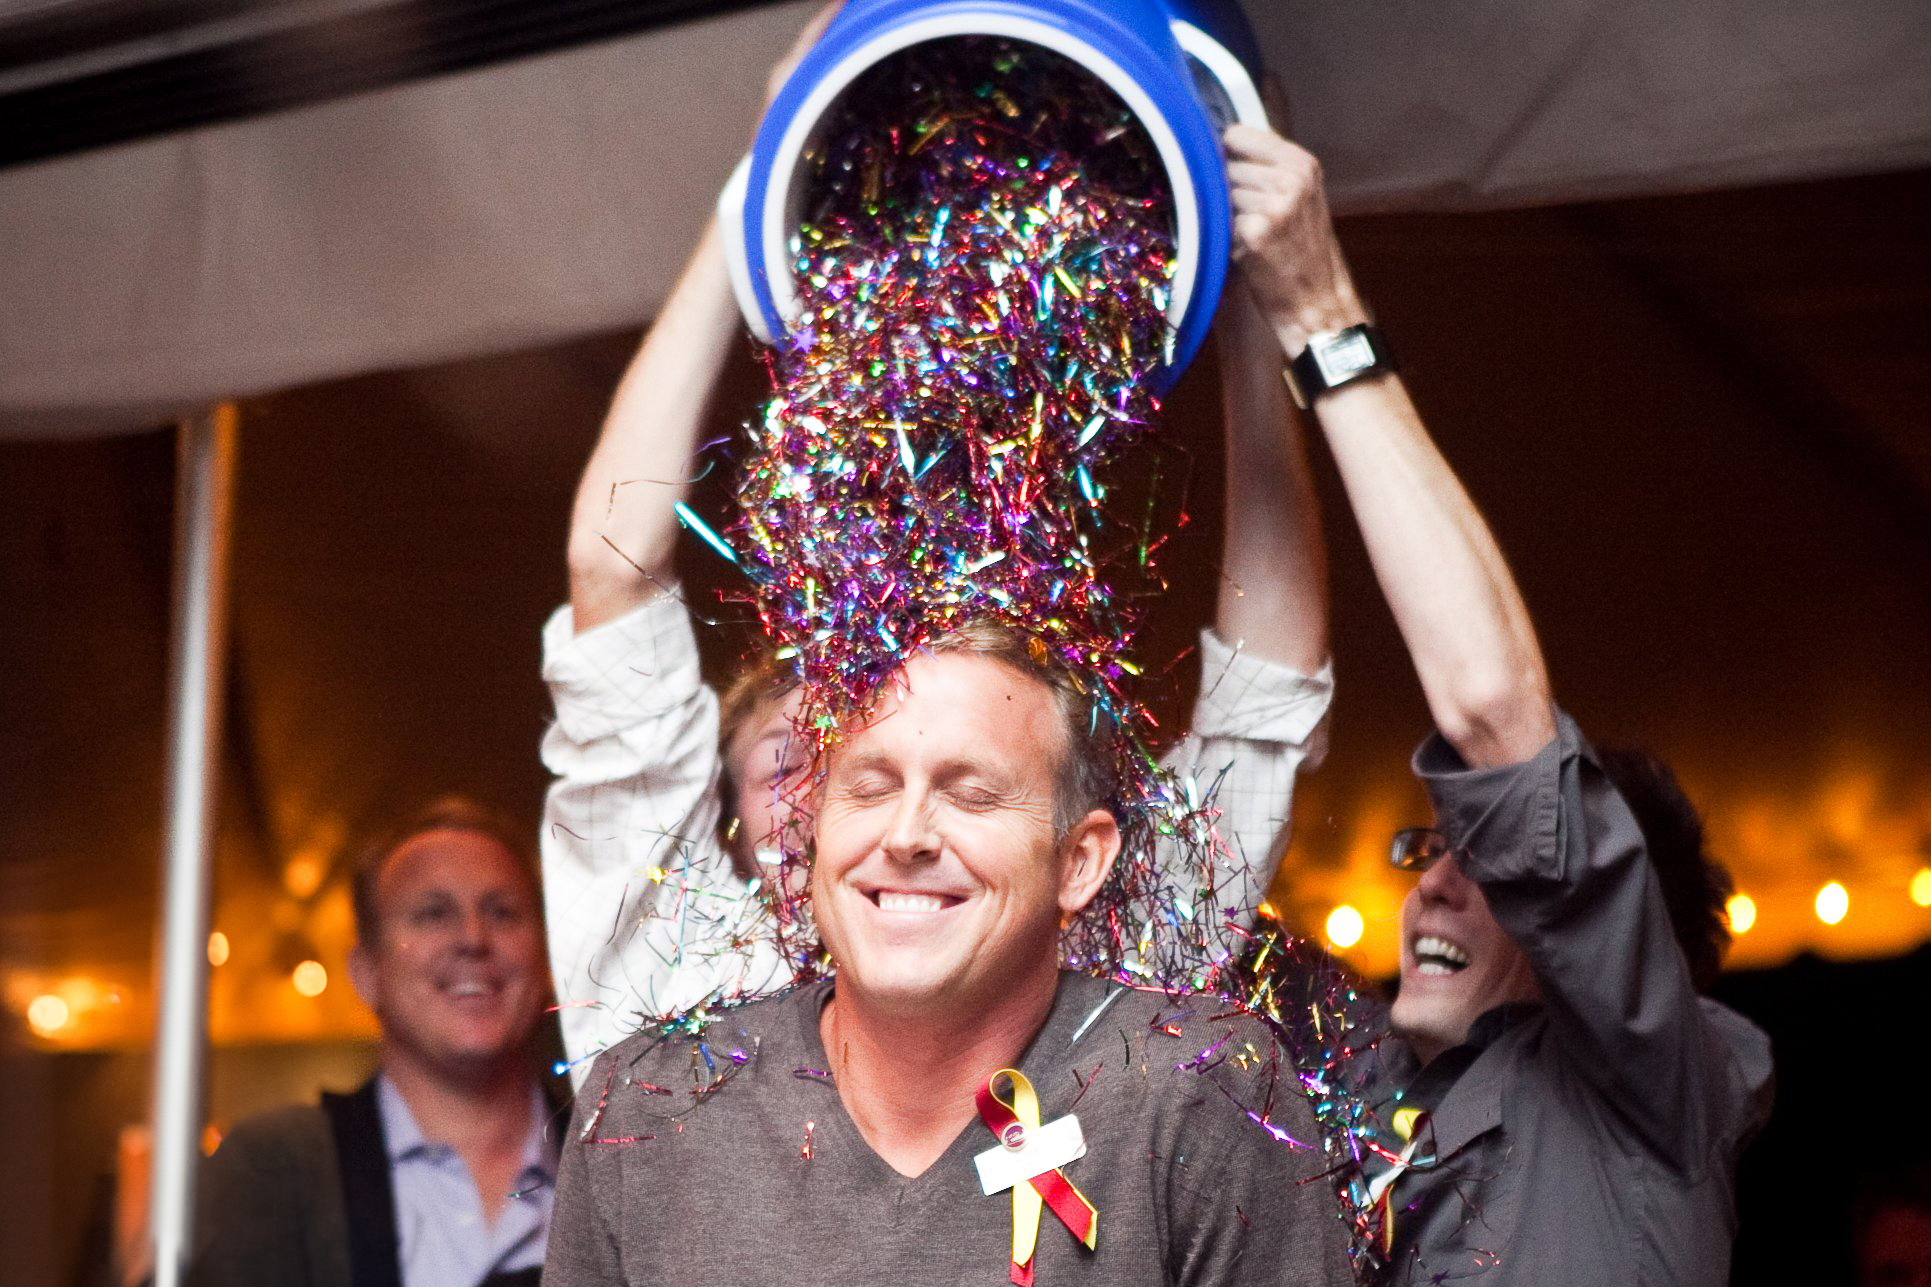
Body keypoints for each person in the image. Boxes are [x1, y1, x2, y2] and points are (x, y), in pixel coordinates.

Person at [539, 12, 1333, 1078]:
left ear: (1071, 849)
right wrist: (753, 190)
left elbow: (1263, 701)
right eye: (816, 771)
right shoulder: (679, 999)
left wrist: (1248, 288)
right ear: (717, 827)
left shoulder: (1105, 955)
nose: (880, 813)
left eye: (959, 782)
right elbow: (609, 564)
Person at [1221, 121, 1775, 1283]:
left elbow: (1487, 713)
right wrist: (1235, 318)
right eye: (1433, 848)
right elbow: (1221, 800)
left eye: (1490, 863)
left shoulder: (1643, 1100)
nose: (1429, 876)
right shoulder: (1363, 1085)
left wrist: (1320, 316)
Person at [543, 623, 1357, 1286]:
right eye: (867, 787)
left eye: (971, 794)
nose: (905, 835)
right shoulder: (649, 1105)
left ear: (1077, 861)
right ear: (811, 830)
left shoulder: (1196, 1087)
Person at [188, 801, 559, 1287]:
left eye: (502, 912)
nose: (473, 937)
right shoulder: (277, 1167)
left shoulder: (622, 1161)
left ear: (549, 960)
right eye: (432, 914)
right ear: (366, 974)